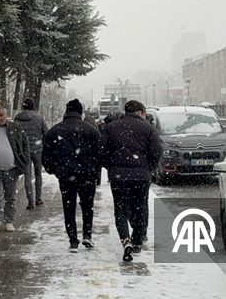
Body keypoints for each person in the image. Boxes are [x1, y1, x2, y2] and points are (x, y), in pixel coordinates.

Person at [100, 100, 161, 262]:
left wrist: (112, 168)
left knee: (121, 209)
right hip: (141, 176)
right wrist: (149, 169)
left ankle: (125, 239)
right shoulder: (149, 129)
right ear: (141, 112)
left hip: (118, 176)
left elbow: (102, 152)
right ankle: (137, 241)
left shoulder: (111, 128)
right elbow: (156, 153)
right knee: (140, 207)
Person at [42, 99, 101, 253]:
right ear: (81, 112)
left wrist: (54, 170)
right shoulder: (91, 130)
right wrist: (95, 171)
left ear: (66, 112)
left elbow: (46, 154)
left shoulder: (56, 130)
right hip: (87, 174)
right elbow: (99, 153)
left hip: (66, 175)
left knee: (69, 206)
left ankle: (73, 240)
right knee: (87, 205)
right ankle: (87, 234)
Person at [14, 98, 48, 210]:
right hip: (38, 151)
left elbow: (14, 136)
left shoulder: (17, 119)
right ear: (33, 107)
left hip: (25, 152)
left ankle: (30, 201)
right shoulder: (39, 119)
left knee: (27, 176)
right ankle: (38, 198)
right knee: (38, 173)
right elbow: (46, 134)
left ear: (23, 106)